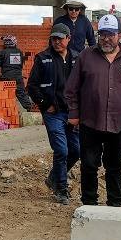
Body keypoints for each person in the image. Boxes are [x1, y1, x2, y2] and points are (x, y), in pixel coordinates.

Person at [64, 14, 121, 207]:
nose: (106, 38)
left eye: (110, 34)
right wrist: (74, 114)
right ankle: (89, 205)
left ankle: (115, 205)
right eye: (102, 34)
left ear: (119, 35)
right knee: (89, 166)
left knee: (114, 166)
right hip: (90, 122)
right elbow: (71, 89)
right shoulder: (86, 56)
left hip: (119, 125)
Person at [27, 22, 80, 203]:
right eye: (54, 38)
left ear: (68, 39)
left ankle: (53, 178)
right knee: (62, 150)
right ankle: (61, 189)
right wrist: (45, 104)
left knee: (76, 149)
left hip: (72, 113)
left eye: (60, 38)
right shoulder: (43, 58)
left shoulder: (76, 58)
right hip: (53, 114)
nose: (56, 42)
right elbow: (32, 86)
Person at [0, 35, 35, 111]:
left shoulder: (3, 52)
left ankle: (6, 110)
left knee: (5, 94)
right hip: (18, 77)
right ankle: (29, 107)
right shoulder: (19, 52)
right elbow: (21, 63)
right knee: (21, 93)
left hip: (7, 77)